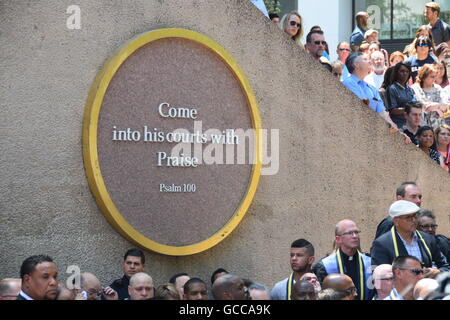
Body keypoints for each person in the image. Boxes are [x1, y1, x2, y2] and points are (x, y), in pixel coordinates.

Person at [371, 200, 449, 276]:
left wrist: (437, 272)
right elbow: (379, 277)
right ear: (396, 221)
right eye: (408, 217)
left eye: (415, 216)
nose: (414, 220)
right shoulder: (382, 244)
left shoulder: (427, 239)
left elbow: (446, 267)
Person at [312, 220, 372, 300]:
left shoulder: (370, 262)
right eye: (349, 233)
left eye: (356, 232)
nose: (355, 236)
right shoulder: (324, 266)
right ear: (338, 239)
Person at [342, 52, 399, 130]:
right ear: (356, 64)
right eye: (365, 59)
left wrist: (392, 125)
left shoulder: (371, 88)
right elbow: (362, 106)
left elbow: (382, 112)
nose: (370, 61)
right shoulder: (347, 83)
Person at [412, 64, 448, 129]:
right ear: (423, 76)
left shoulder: (438, 87)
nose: (434, 79)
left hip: (439, 127)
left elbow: (445, 106)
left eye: (435, 76)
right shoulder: (415, 88)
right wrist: (438, 109)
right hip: (422, 127)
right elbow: (423, 106)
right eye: (432, 76)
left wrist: (436, 107)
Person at [385, 62, 416, 129]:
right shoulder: (391, 89)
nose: (405, 73)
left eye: (407, 72)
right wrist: (409, 109)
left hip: (411, 125)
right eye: (402, 71)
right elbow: (393, 110)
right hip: (399, 126)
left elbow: (415, 105)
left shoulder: (410, 90)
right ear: (396, 73)